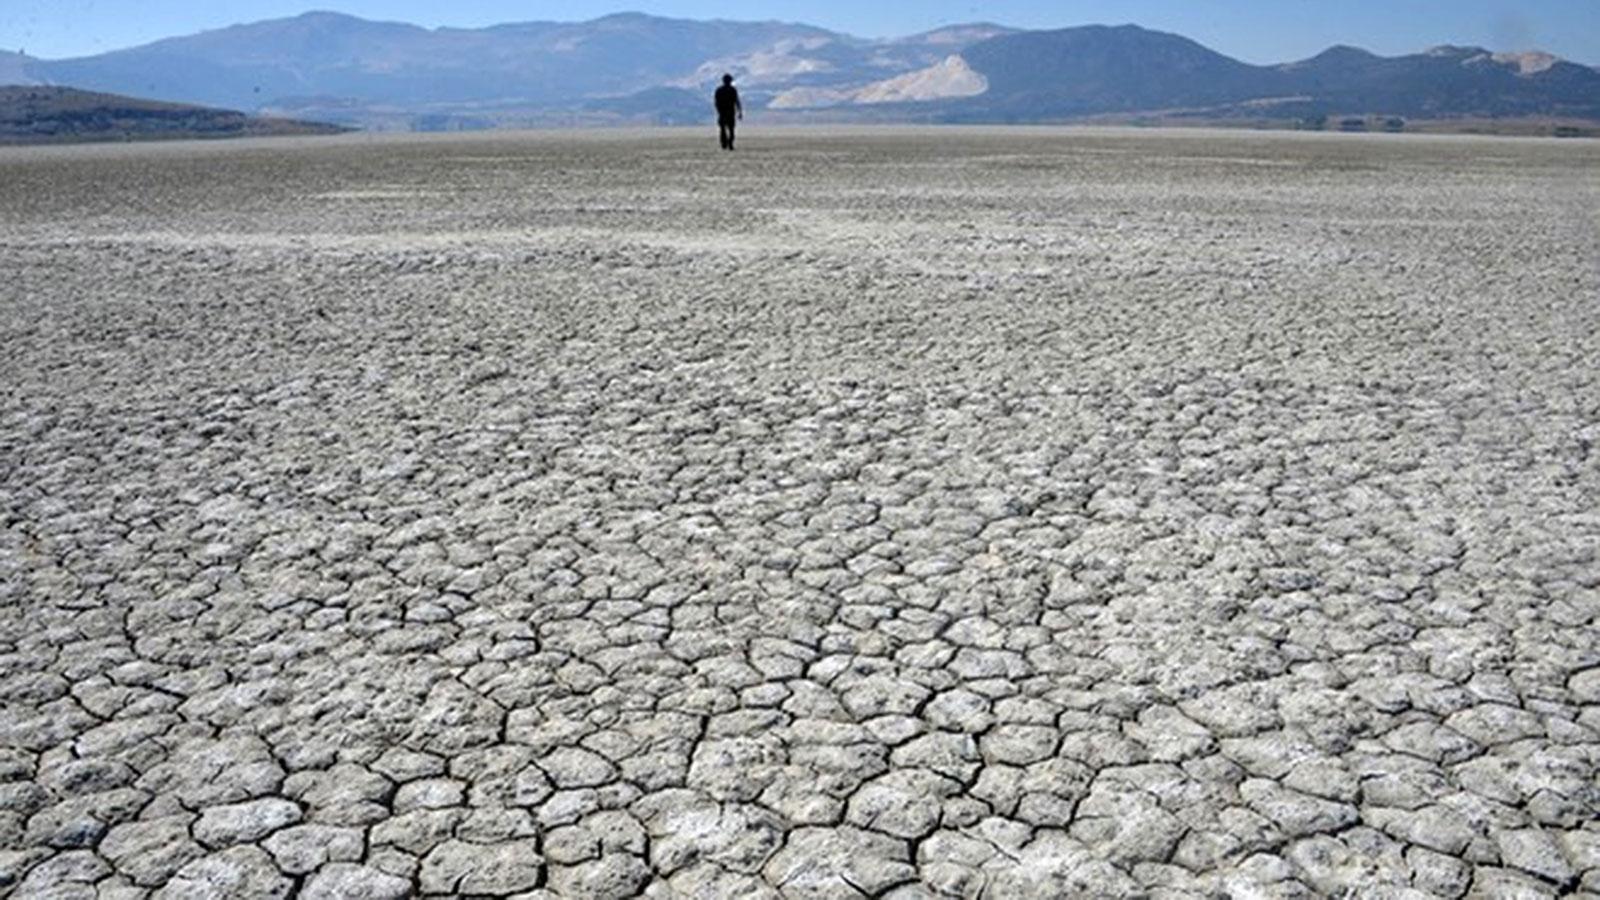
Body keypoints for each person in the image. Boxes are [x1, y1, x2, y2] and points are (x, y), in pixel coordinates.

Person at [714, 74, 742, 151]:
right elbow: (737, 102)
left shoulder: (721, 90)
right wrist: (740, 112)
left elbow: (716, 103)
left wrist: (739, 111)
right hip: (727, 113)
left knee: (726, 130)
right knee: (729, 130)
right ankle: (728, 144)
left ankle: (727, 144)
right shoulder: (731, 90)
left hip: (726, 113)